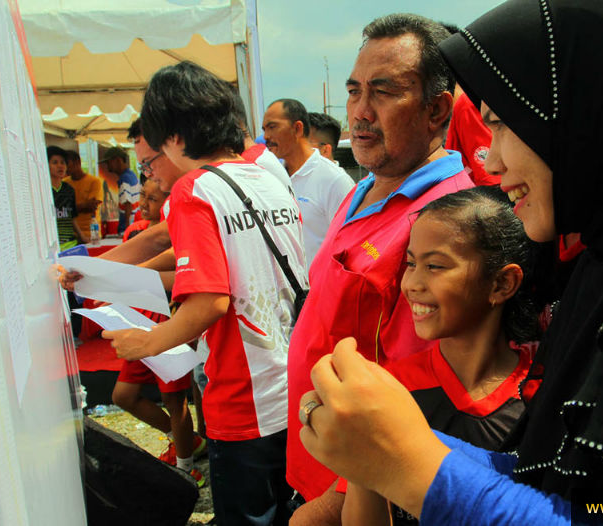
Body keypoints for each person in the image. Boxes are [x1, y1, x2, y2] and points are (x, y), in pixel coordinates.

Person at [296, 1, 603, 524]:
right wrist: (391, 445)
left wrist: (416, 470)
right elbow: (566, 477)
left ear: (595, 110)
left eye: (506, 123)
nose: (492, 159)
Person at [286, 13, 474, 524]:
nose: (360, 112)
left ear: (437, 110)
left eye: (384, 92)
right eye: (354, 92)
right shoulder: (363, 188)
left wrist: (335, 502)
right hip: (316, 462)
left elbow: (425, 392)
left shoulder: (446, 220)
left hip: (360, 493)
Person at [103, 61, 306, 526]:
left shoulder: (194, 190)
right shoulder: (267, 177)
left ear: (173, 137)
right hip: (291, 381)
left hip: (243, 396)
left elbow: (210, 301)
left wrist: (144, 344)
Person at [342, 186, 547, 526]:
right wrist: (361, 459)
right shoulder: (389, 390)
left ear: (502, 284)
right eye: (411, 263)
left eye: (435, 265)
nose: (412, 283)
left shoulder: (545, 388)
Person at [262, 98, 354, 265]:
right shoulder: (271, 177)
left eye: (272, 127)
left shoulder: (335, 181)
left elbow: (350, 247)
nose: (266, 136)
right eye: (264, 129)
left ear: (297, 128)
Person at [48, 145, 84, 248]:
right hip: (53, 246)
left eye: (63, 162)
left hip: (71, 244)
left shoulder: (69, 190)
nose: (60, 166)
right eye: (55, 162)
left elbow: (72, 217)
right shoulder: (43, 190)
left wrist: (81, 236)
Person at [64, 150, 103, 242]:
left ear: (77, 162)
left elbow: (91, 206)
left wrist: (71, 209)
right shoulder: (64, 183)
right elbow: (64, 210)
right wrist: (83, 205)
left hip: (91, 233)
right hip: (71, 235)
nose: (65, 166)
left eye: (67, 163)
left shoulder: (94, 181)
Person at [100, 146, 140, 234]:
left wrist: (127, 231)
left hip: (127, 229)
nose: (107, 166)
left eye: (108, 162)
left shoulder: (124, 179)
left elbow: (128, 205)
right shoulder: (131, 175)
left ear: (118, 160)